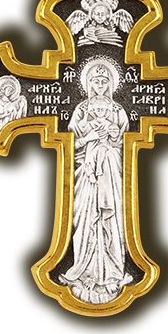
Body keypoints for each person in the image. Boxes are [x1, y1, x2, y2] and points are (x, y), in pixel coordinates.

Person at [59, 60, 132, 304]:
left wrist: (113, 137)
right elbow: (69, 144)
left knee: (112, 218)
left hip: (111, 173)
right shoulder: (81, 110)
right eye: (96, 81)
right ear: (88, 83)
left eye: (104, 81)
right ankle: (84, 269)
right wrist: (89, 136)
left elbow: (128, 144)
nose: (100, 85)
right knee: (85, 218)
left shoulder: (118, 110)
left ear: (111, 83)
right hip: (86, 173)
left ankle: (113, 272)